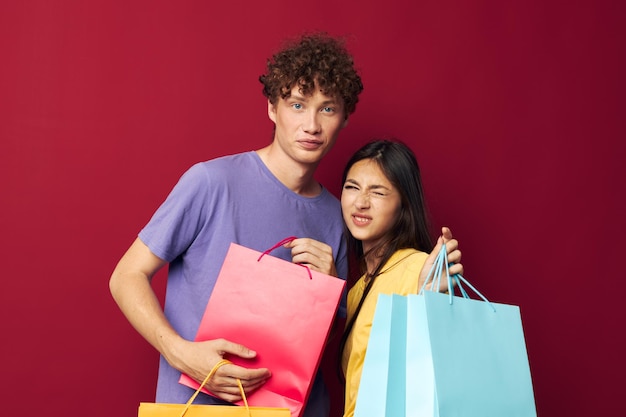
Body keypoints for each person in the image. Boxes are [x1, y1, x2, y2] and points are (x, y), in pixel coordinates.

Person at [109, 32, 363, 417]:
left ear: (344, 118)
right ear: (273, 109)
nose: (311, 124)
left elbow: (322, 345)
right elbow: (125, 276)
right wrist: (183, 355)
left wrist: (328, 291)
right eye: (297, 104)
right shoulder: (211, 182)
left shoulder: (337, 214)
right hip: (201, 407)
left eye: (327, 109)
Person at [338, 139, 463, 417]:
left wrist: (428, 297)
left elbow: (433, 372)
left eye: (378, 192)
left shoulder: (419, 269)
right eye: (352, 187)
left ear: (403, 205)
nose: (361, 202)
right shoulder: (358, 289)